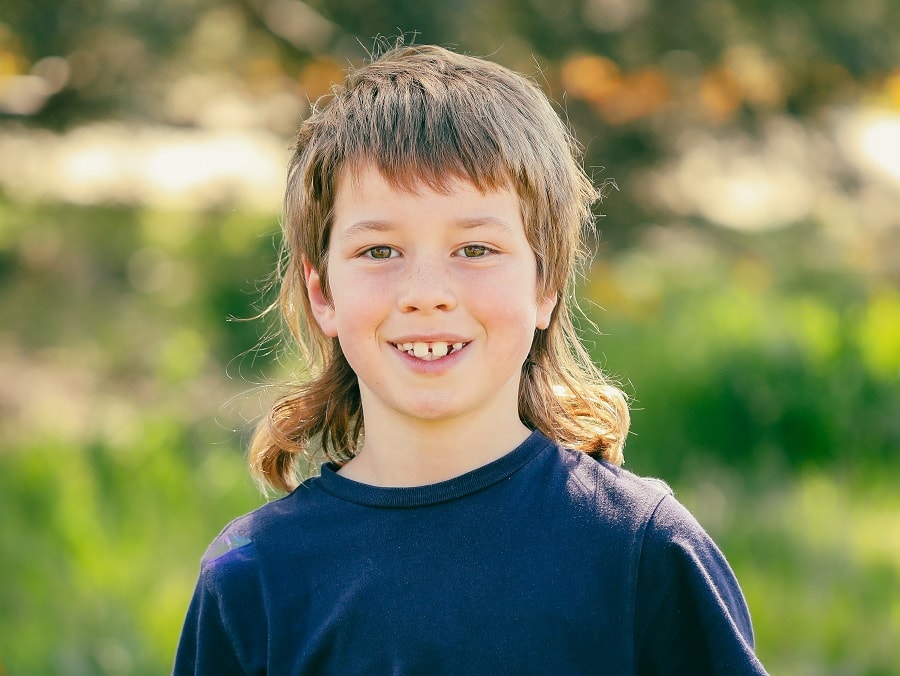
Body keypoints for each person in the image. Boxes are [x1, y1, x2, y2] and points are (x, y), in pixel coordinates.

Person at [174, 43, 768, 675]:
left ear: (545, 284)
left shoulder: (640, 550)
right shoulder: (254, 577)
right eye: (379, 251)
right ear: (323, 294)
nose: (427, 294)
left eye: (476, 248)